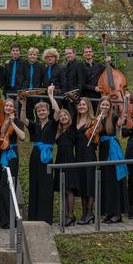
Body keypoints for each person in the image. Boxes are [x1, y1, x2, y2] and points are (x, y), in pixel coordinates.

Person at [20, 92, 55, 225]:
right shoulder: (35, 125)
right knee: (34, 183)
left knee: (46, 185)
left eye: (43, 110)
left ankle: (45, 217)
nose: (41, 112)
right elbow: (23, 119)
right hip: (35, 156)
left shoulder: (52, 124)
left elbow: (57, 111)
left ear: (47, 111)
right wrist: (23, 105)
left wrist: (51, 97)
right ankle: (34, 216)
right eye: (39, 110)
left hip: (46, 156)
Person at [47, 89, 78, 226]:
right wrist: (50, 97)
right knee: (63, 189)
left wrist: (70, 101)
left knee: (69, 189)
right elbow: (57, 111)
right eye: (61, 116)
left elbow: (69, 111)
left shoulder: (72, 129)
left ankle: (70, 216)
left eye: (65, 115)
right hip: (60, 159)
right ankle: (66, 215)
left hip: (70, 160)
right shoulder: (58, 131)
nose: (63, 117)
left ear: (69, 117)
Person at [98, 96, 128, 224]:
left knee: (114, 180)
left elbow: (122, 120)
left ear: (110, 107)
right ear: (99, 106)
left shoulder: (114, 117)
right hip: (103, 151)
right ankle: (108, 212)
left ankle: (117, 214)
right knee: (106, 181)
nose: (104, 107)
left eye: (107, 105)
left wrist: (125, 103)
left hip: (113, 149)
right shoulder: (98, 119)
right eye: (102, 105)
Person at [0, 98, 25, 228]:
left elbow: (23, 136)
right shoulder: (1, 122)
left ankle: (12, 219)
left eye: (10, 106)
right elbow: (0, 138)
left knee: (10, 185)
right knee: (3, 187)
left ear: (14, 108)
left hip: (12, 155)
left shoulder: (17, 121)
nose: (7, 107)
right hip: (3, 154)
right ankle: (5, 219)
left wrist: (13, 123)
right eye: (6, 105)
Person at [74, 97, 98, 225]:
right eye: (80, 104)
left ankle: (89, 213)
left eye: (84, 104)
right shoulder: (75, 121)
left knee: (90, 183)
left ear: (88, 106)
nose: (81, 106)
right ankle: (84, 213)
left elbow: (96, 141)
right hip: (78, 156)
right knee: (82, 184)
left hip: (89, 155)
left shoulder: (93, 122)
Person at [81, 45, 104, 112]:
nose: (88, 53)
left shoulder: (99, 66)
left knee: (97, 114)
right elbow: (81, 84)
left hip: (97, 96)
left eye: (90, 51)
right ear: (83, 54)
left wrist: (109, 62)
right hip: (86, 96)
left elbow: (110, 71)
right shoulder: (81, 67)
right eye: (86, 52)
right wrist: (94, 88)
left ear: (93, 53)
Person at [25, 47, 44, 121]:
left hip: (37, 93)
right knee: (29, 113)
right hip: (26, 92)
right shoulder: (25, 65)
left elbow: (43, 79)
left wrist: (41, 90)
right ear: (28, 56)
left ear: (37, 56)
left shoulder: (41, 66)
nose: (32, 56)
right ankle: (31, 130)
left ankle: (39, 129)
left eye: (34, 54)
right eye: (30, 54)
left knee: (38, 112)